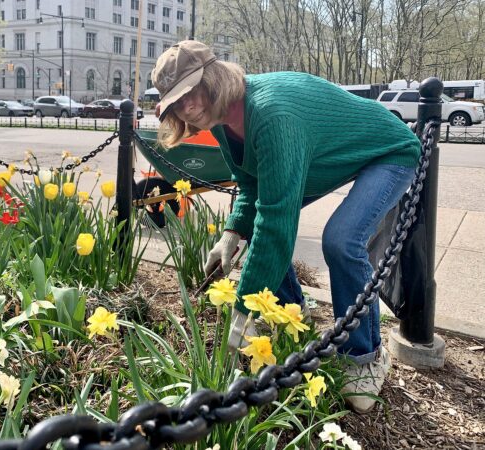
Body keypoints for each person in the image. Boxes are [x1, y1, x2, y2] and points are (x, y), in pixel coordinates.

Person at [151, 40, 420, 414]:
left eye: (191, 92)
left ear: (214, 77)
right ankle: (295, 313)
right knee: (263, 235)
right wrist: (233, 231)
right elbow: (250, 183)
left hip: (389, 152)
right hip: (325, 157)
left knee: (342, 241)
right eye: (177, 103)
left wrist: (243, 313)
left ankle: (364, 356)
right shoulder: (221, 120)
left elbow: (277, 222)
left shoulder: (271, 113)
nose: (188, 107)